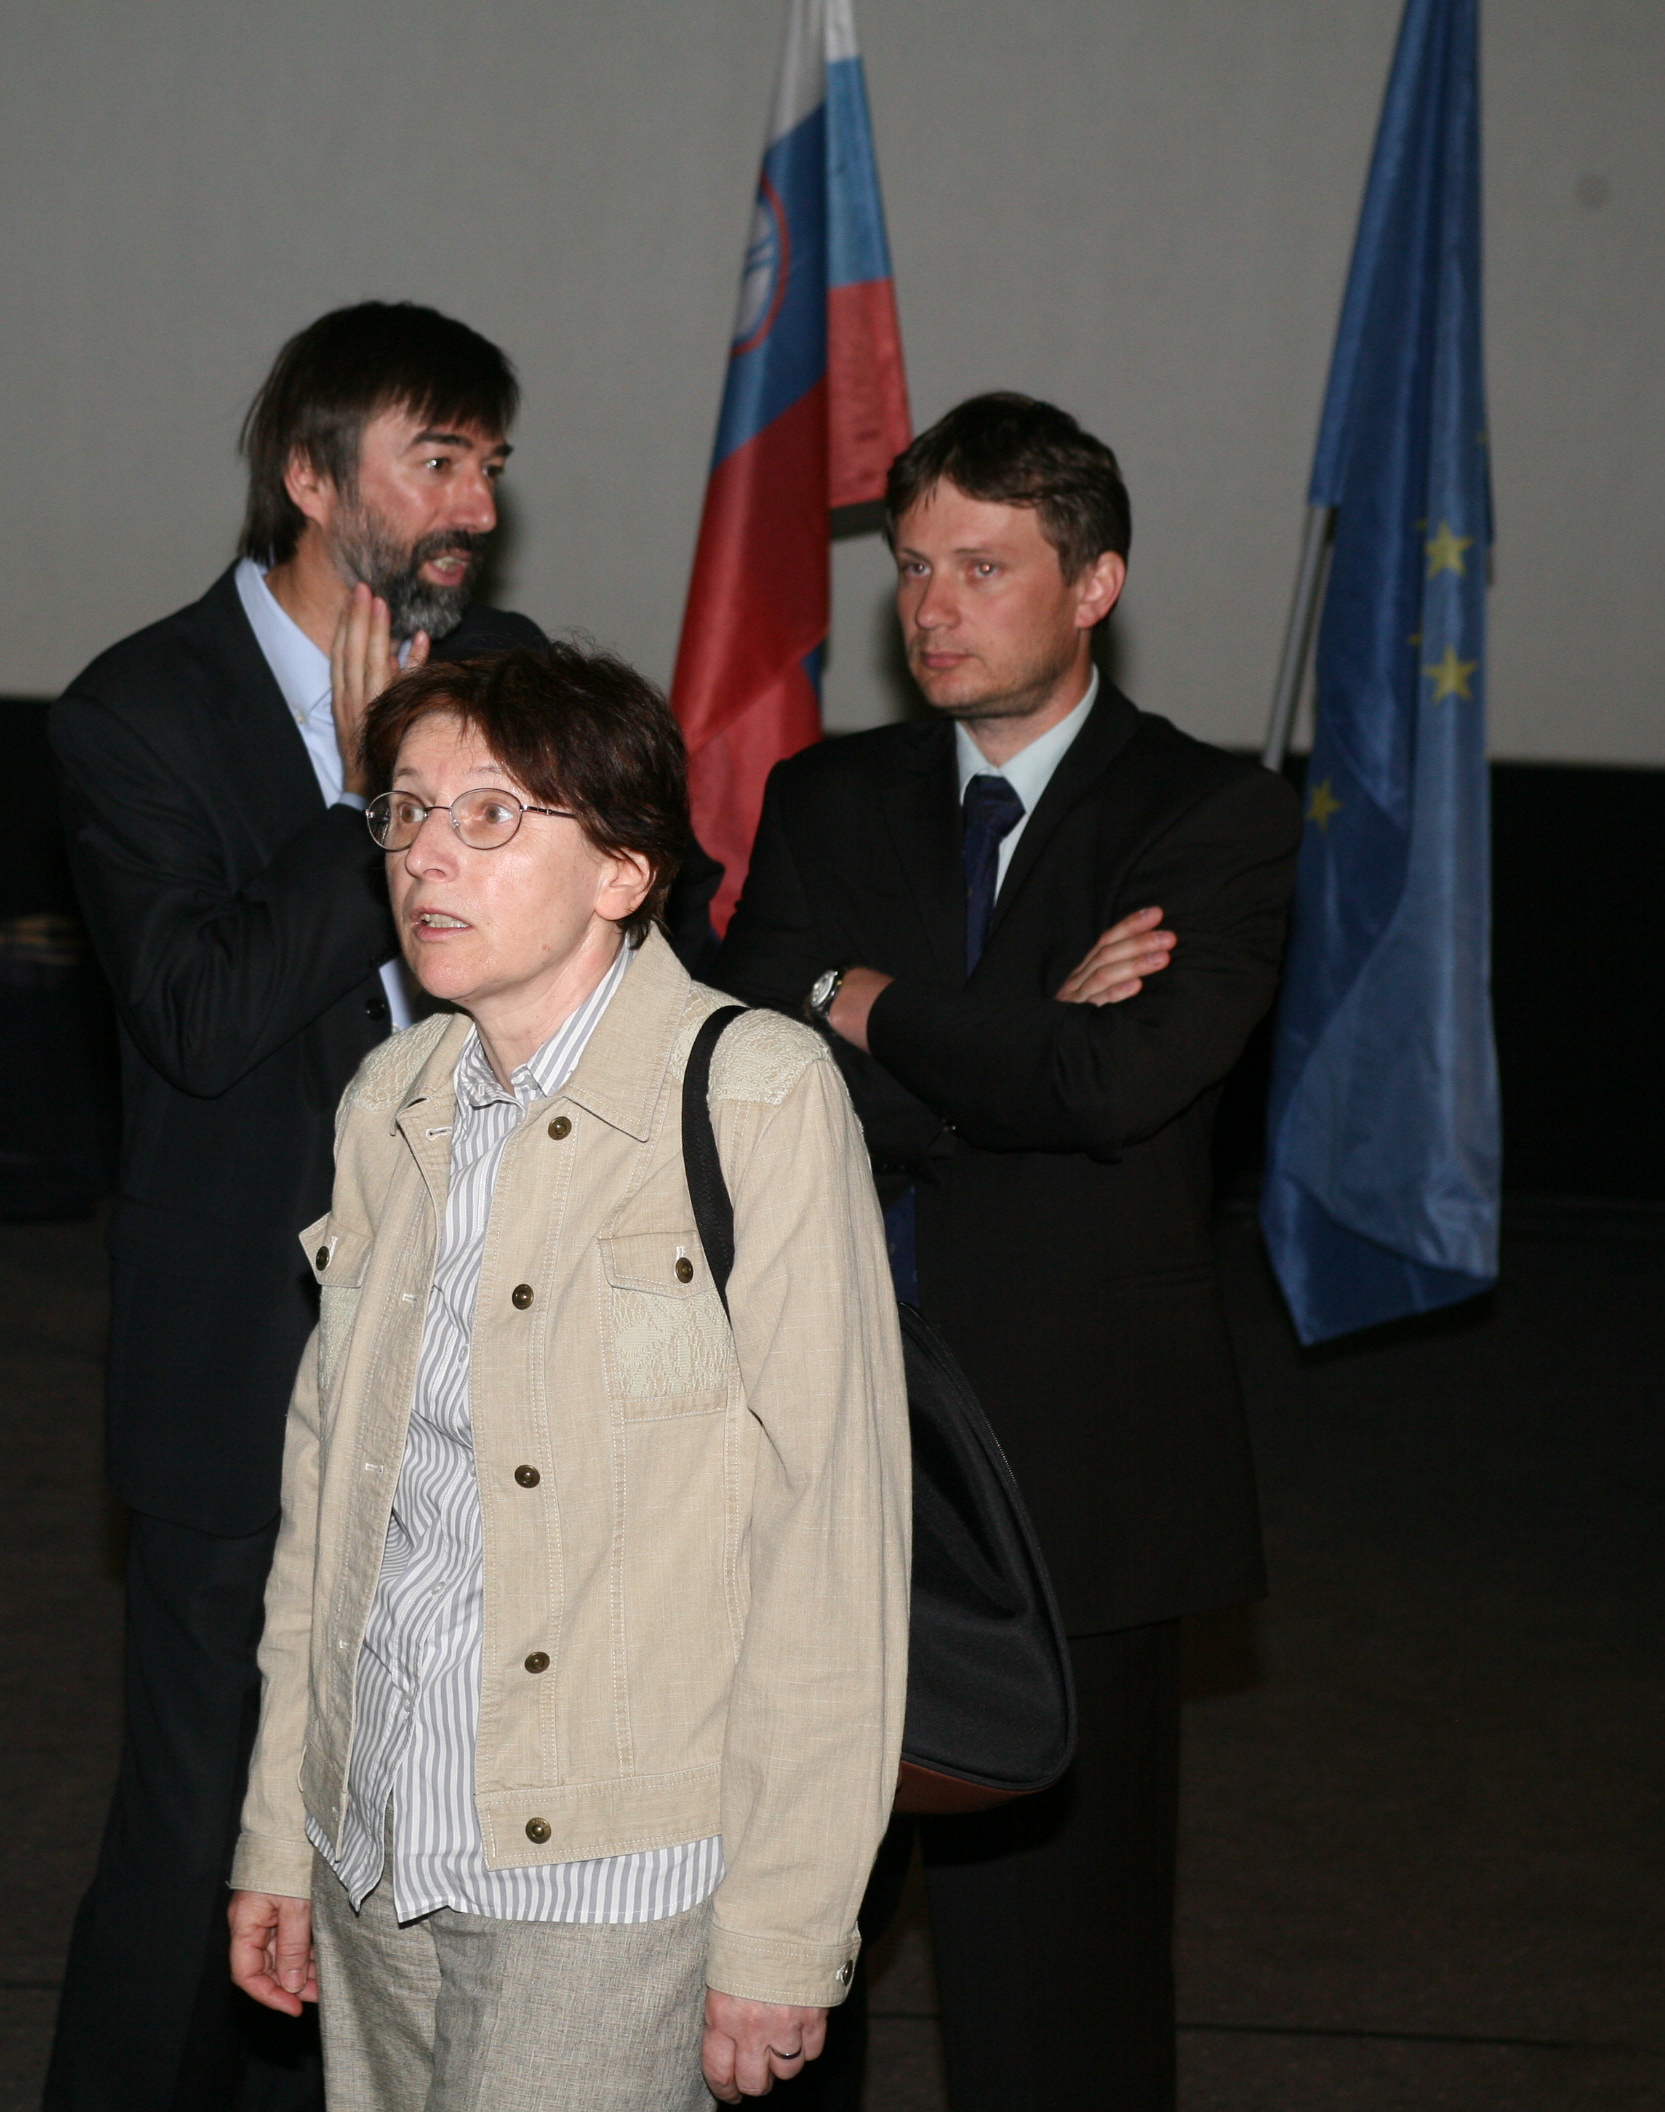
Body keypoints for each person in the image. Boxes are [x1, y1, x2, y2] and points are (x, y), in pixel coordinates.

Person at [712, 393, 1300, 2111]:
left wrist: (865, 1000)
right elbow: (752, 1072)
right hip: (807, 1441)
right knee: (763, 1970)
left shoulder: (1211, 814)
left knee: (1059, 2001)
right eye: (912, 567)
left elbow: (1113, 1085)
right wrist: (1021, 1036)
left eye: (984, 566)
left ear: (1095, 582)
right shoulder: (828, 794)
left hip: (1072, 1467)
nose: (933, 607)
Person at [225, 643, 908, 2110]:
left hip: (608, 1877)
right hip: (378, 1845)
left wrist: (785, 1926)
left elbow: (830, 1547)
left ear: (623, 870)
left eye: (489, 814)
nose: (425, 856)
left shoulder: (756, 1097)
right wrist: (282, 1828)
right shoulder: (392, 1097)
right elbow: (332, 1507)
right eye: (406, 810)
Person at [37, 301, 549, 2111]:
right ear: (311, 478)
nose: (477, 501)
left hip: (503, 1335)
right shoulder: (139, 709)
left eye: (491, 462)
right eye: (438, 458)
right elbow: (197, 1017)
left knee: (430, 1823)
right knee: (205, 1839)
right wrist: (373, 801)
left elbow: (661, 915)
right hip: (252, 1360)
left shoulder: (520, 677)